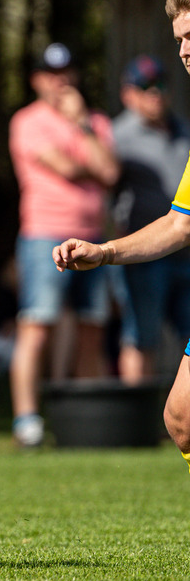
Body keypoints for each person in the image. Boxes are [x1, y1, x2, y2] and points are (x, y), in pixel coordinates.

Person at [54, 0, 190, 481]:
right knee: (181, 417)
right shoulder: (123, 133)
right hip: (157, 259)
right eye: (178, 39)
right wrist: (105, 250)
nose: (183, 50)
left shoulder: (183, 128)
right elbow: (179, 223)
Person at [8, 42, 119, 447]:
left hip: (94, 237)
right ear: (37, 79)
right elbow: (70, 167)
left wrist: (82, 126)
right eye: (51, 74)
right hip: (44, 235)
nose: (61, 81)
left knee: (91, 326)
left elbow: (109, 171)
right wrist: (83, 141)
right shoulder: (27, 121)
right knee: (37, 323)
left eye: (67, 72)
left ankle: (88, 422)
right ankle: (27, 419)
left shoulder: (95, 121)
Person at [109, 54, 190, 383]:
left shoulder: (184, 129)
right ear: (128, 93)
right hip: (144, 257)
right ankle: (138, 421)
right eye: (145, 87)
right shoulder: (116, 136)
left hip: (186, 252)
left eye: (160, 85)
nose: (154, 94)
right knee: (142, 337)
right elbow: (104, 198)